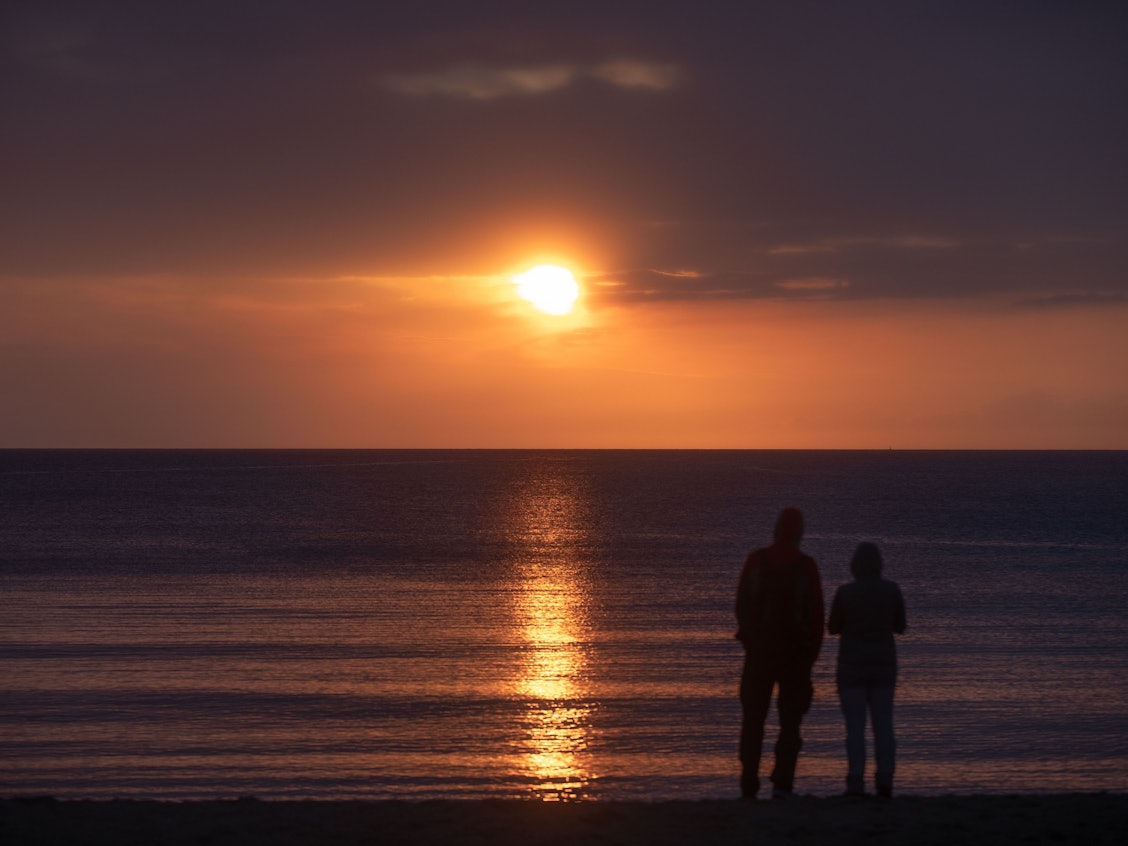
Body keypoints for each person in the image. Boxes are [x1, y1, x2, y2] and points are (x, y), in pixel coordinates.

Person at [734, 507, 824, 799]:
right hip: (794, 655)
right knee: (790, 723)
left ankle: (749, 782)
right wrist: (810, 657)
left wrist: (748, 637)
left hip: (760, 652)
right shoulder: (806, 567)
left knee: (753, 720)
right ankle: (783, 784)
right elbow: (816, 617)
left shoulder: (756, 561)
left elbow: (741, 605)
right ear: (799, 532)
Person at [827, 541, 907, 798]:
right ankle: (885, 780)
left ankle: (855, 781)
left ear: (854, 566)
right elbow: (901, 626)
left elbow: (833, 627)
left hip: (851, 665)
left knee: (855, 728)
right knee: (883, 725)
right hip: (883, 664)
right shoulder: (892, 590)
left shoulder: (845, 592)